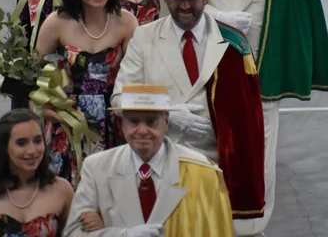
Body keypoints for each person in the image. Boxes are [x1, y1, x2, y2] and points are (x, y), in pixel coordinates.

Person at [183, 0, 328, 236]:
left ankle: (253, 227)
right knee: (211, 148)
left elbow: (302, 8)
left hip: (263, 70)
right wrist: (217, 16)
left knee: (260, 154)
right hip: (209, 67)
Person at [111, 0, 266, 229]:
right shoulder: (144, 38)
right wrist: (167, 112)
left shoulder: (233, 44)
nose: (184, 6)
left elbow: (248, 121)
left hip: (215, 172)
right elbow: (120, 99)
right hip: (157, 170)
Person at [64, 83, 234, 237]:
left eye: (151, 122)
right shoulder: (96, 168)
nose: (142, 130)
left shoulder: (203, 172)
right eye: (134, 121)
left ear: (166, 122)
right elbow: (73, 233)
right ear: (122, 124)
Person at [36, 0, 138, 187]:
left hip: (113, 120)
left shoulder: (127, 21)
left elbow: (136, 73)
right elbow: (34, 75)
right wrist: (46, 110)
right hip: (69, 122)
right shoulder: (56, 22)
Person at [0, 109, 74, 236]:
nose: (32, 151)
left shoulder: (62, 190)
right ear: (4, 147)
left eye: (37, 141)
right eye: (21, 143)